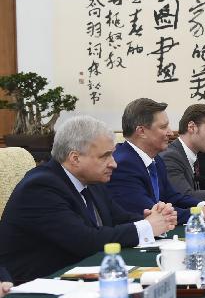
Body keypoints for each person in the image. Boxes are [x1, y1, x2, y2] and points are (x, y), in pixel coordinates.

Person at [0, 116, 177, 284]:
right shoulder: (41, 187)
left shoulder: (91, 181)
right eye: (105, 156)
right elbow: (85, 241)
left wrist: (155, 219)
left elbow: (119, 218)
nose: (114, 163)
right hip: (33, 285)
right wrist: (147, 227)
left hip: (78, 274)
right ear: (75, 158)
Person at [107, 98, 205, 225]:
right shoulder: (123, 164)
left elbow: (173, 197)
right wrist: (201, 213)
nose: (170, 132)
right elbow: (151, 212)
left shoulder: (156, 159)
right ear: (141, 131)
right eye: (163, 127)